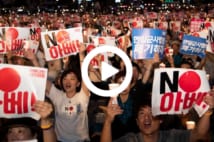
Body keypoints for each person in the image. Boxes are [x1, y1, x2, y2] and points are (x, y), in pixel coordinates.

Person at [100, 90, 214, 142]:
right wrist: (108, 122)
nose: (146, 118)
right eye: (142, 113)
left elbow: (200, 134)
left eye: (151, 113)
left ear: (160, 119)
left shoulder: (172, 136)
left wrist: (208, 111)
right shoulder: (131, 139)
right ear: (137, 122)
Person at [45, 44, 91, 142]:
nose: (68, 82)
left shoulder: (82, 96)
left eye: (72, 79)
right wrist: (34, 60)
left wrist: (81, 55)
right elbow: (43, 79)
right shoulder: (57, 95)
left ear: (78, 83)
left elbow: (85, 76)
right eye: (65, 79)